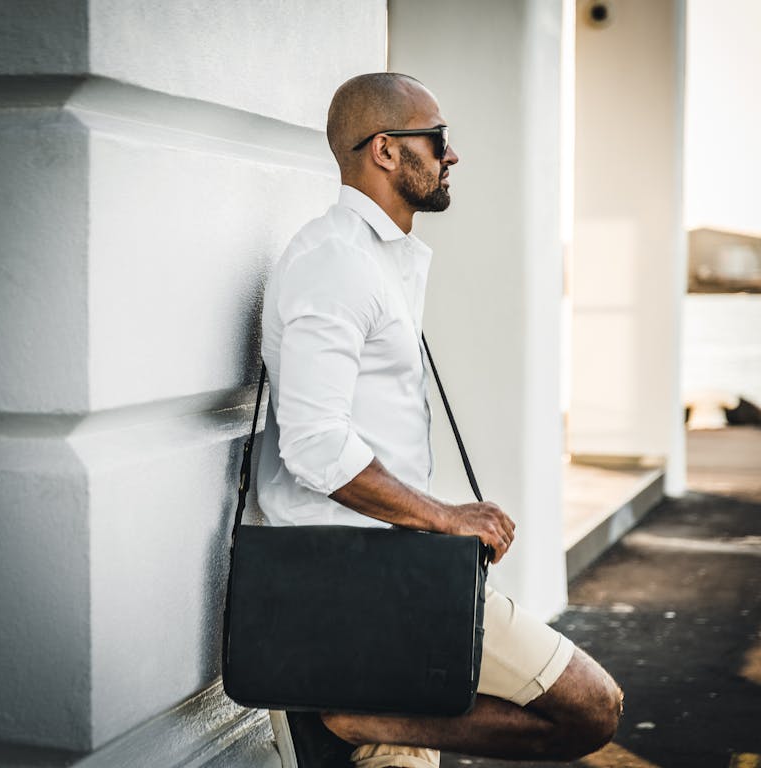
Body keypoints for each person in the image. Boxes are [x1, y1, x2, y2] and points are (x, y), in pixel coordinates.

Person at [256, 72, 623, 768]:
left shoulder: (373, 260)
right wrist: (445, 518)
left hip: (392, 567)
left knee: (407, 753)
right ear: (387, 151)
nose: (451, 155)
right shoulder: (334, 263)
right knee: (592, 707)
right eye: (438, 139)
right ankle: (353, 718)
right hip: (361, 573)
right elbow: (313, 444)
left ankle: (373, 722)